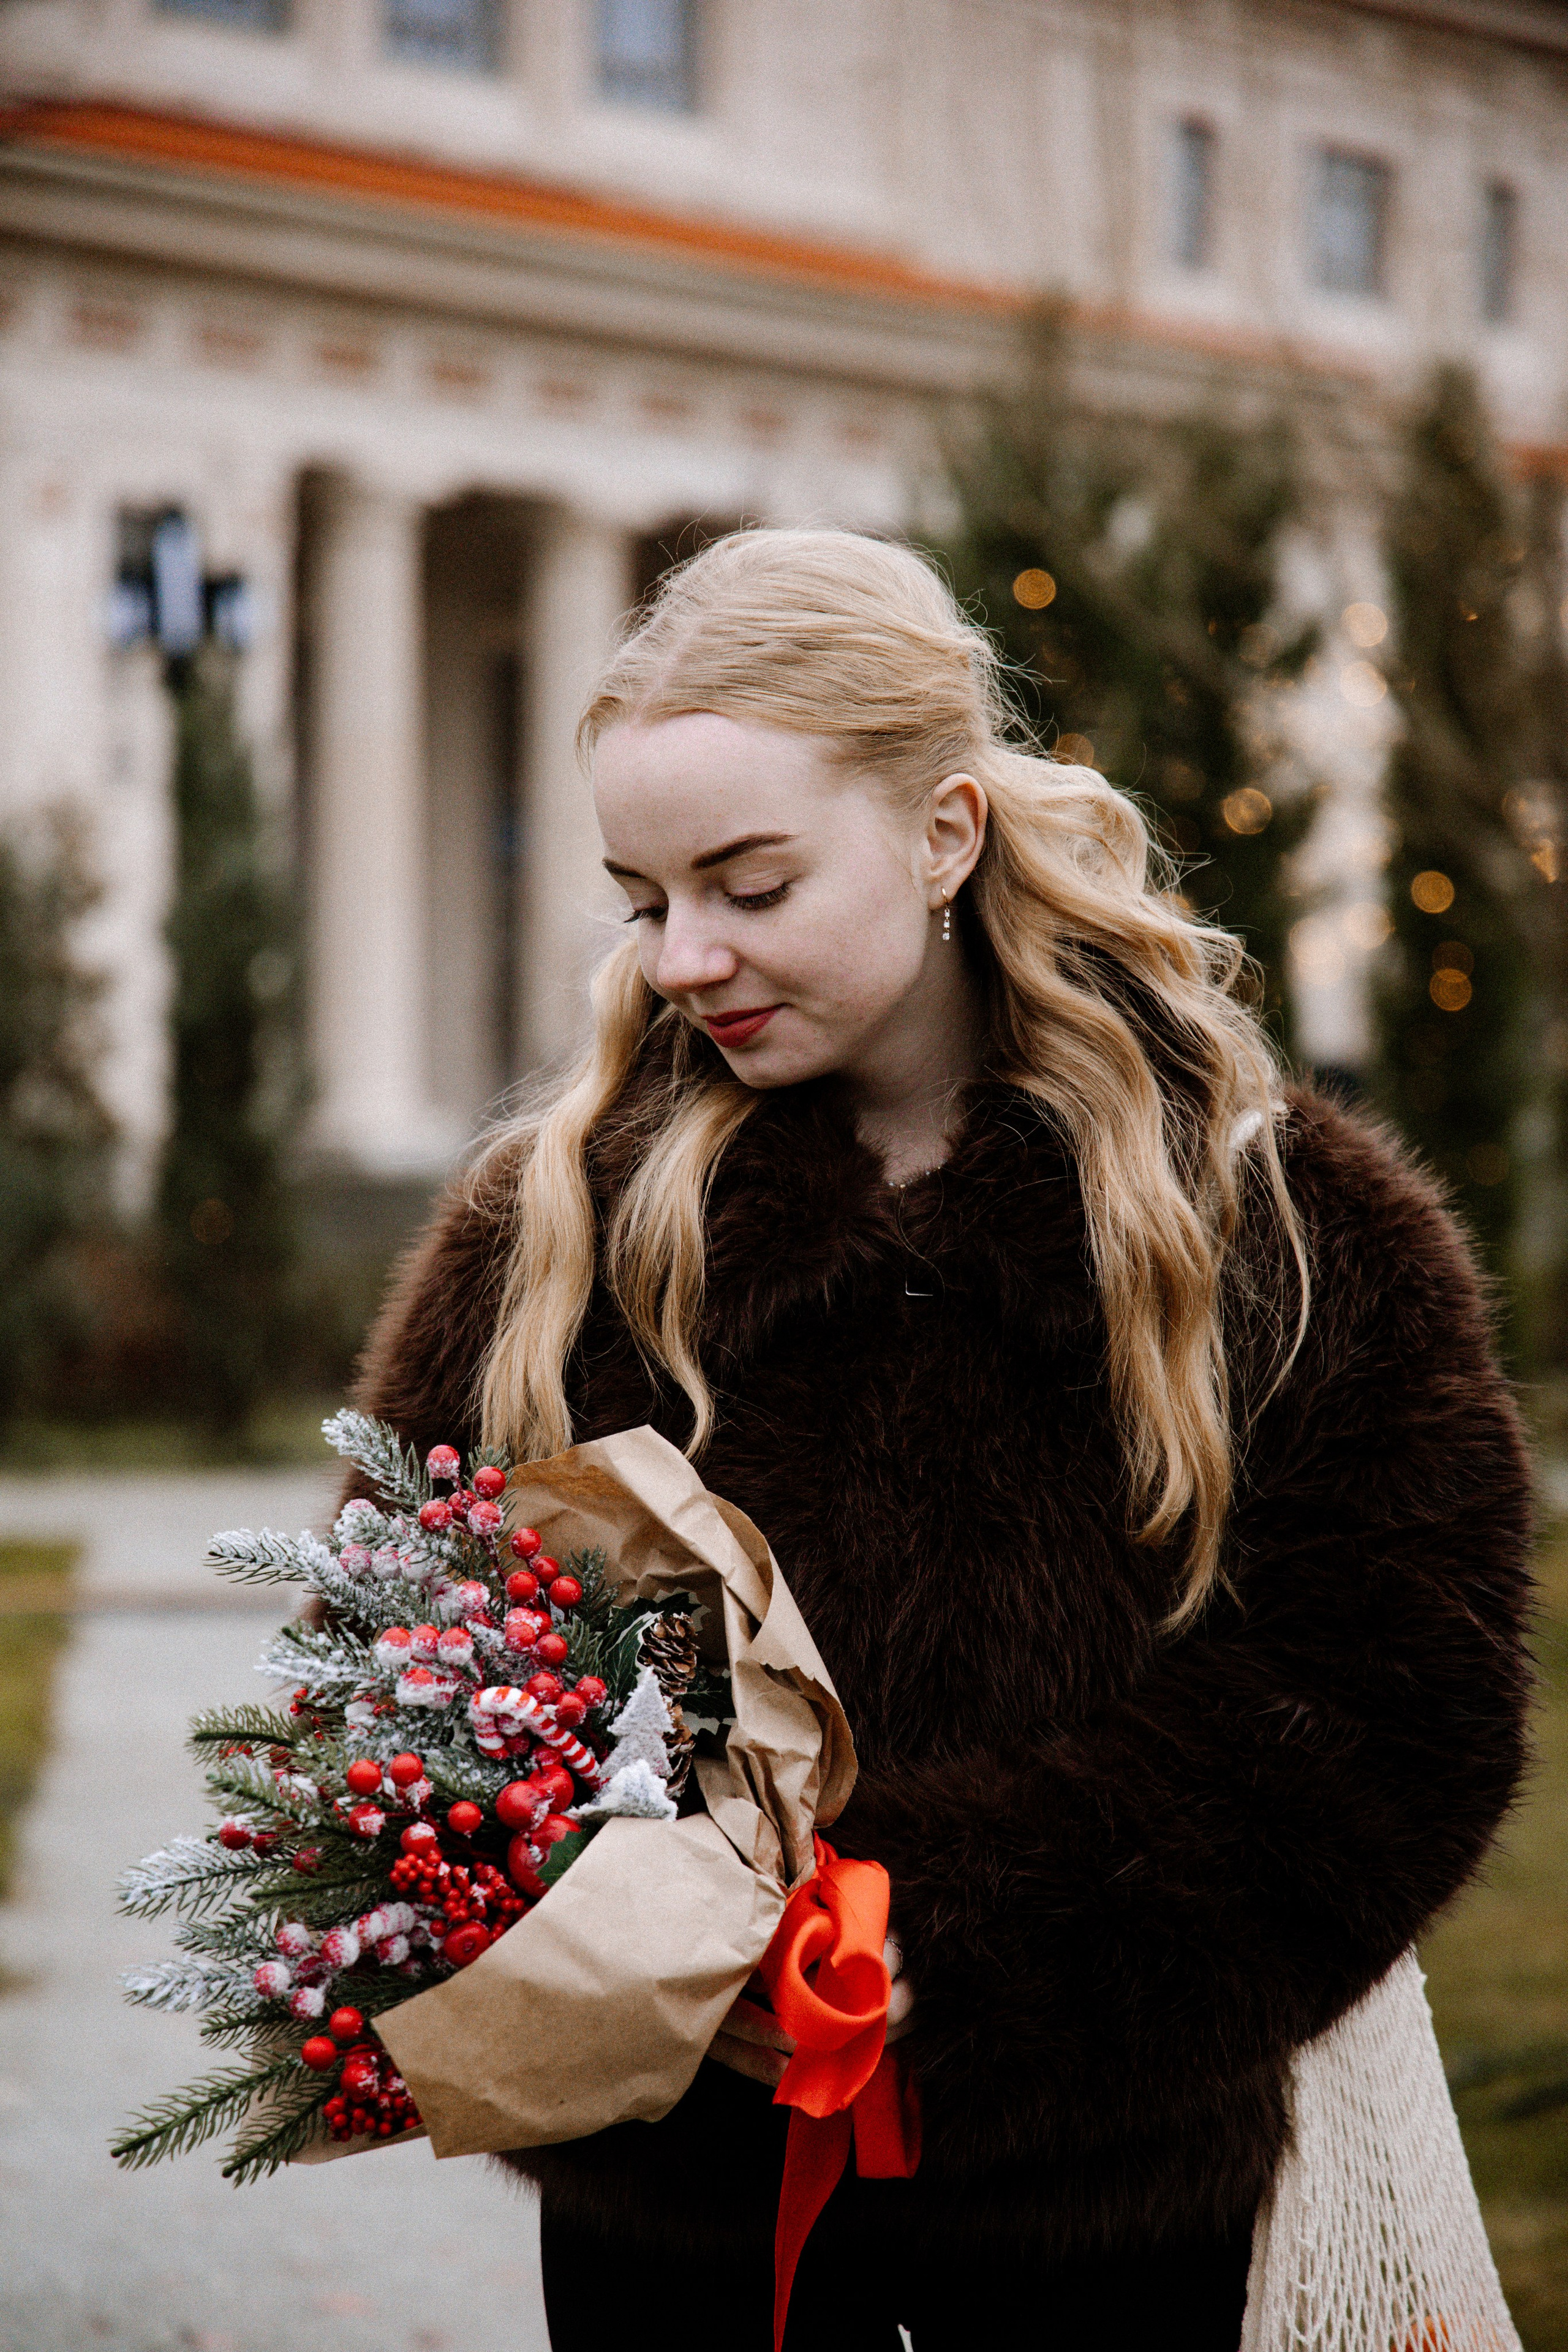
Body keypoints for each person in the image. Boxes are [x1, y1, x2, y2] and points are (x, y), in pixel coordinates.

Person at [349, 529, 1532, 2351]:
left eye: (750, 883)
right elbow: (410, 1662)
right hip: (684, 2212)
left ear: (944, 834)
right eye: (644, 899)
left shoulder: (1277, 1224)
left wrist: (954, 1944)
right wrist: (668, 1932)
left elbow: (1390, 1704)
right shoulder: (555, 1233)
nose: (685, 957)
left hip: (1107, 2201)